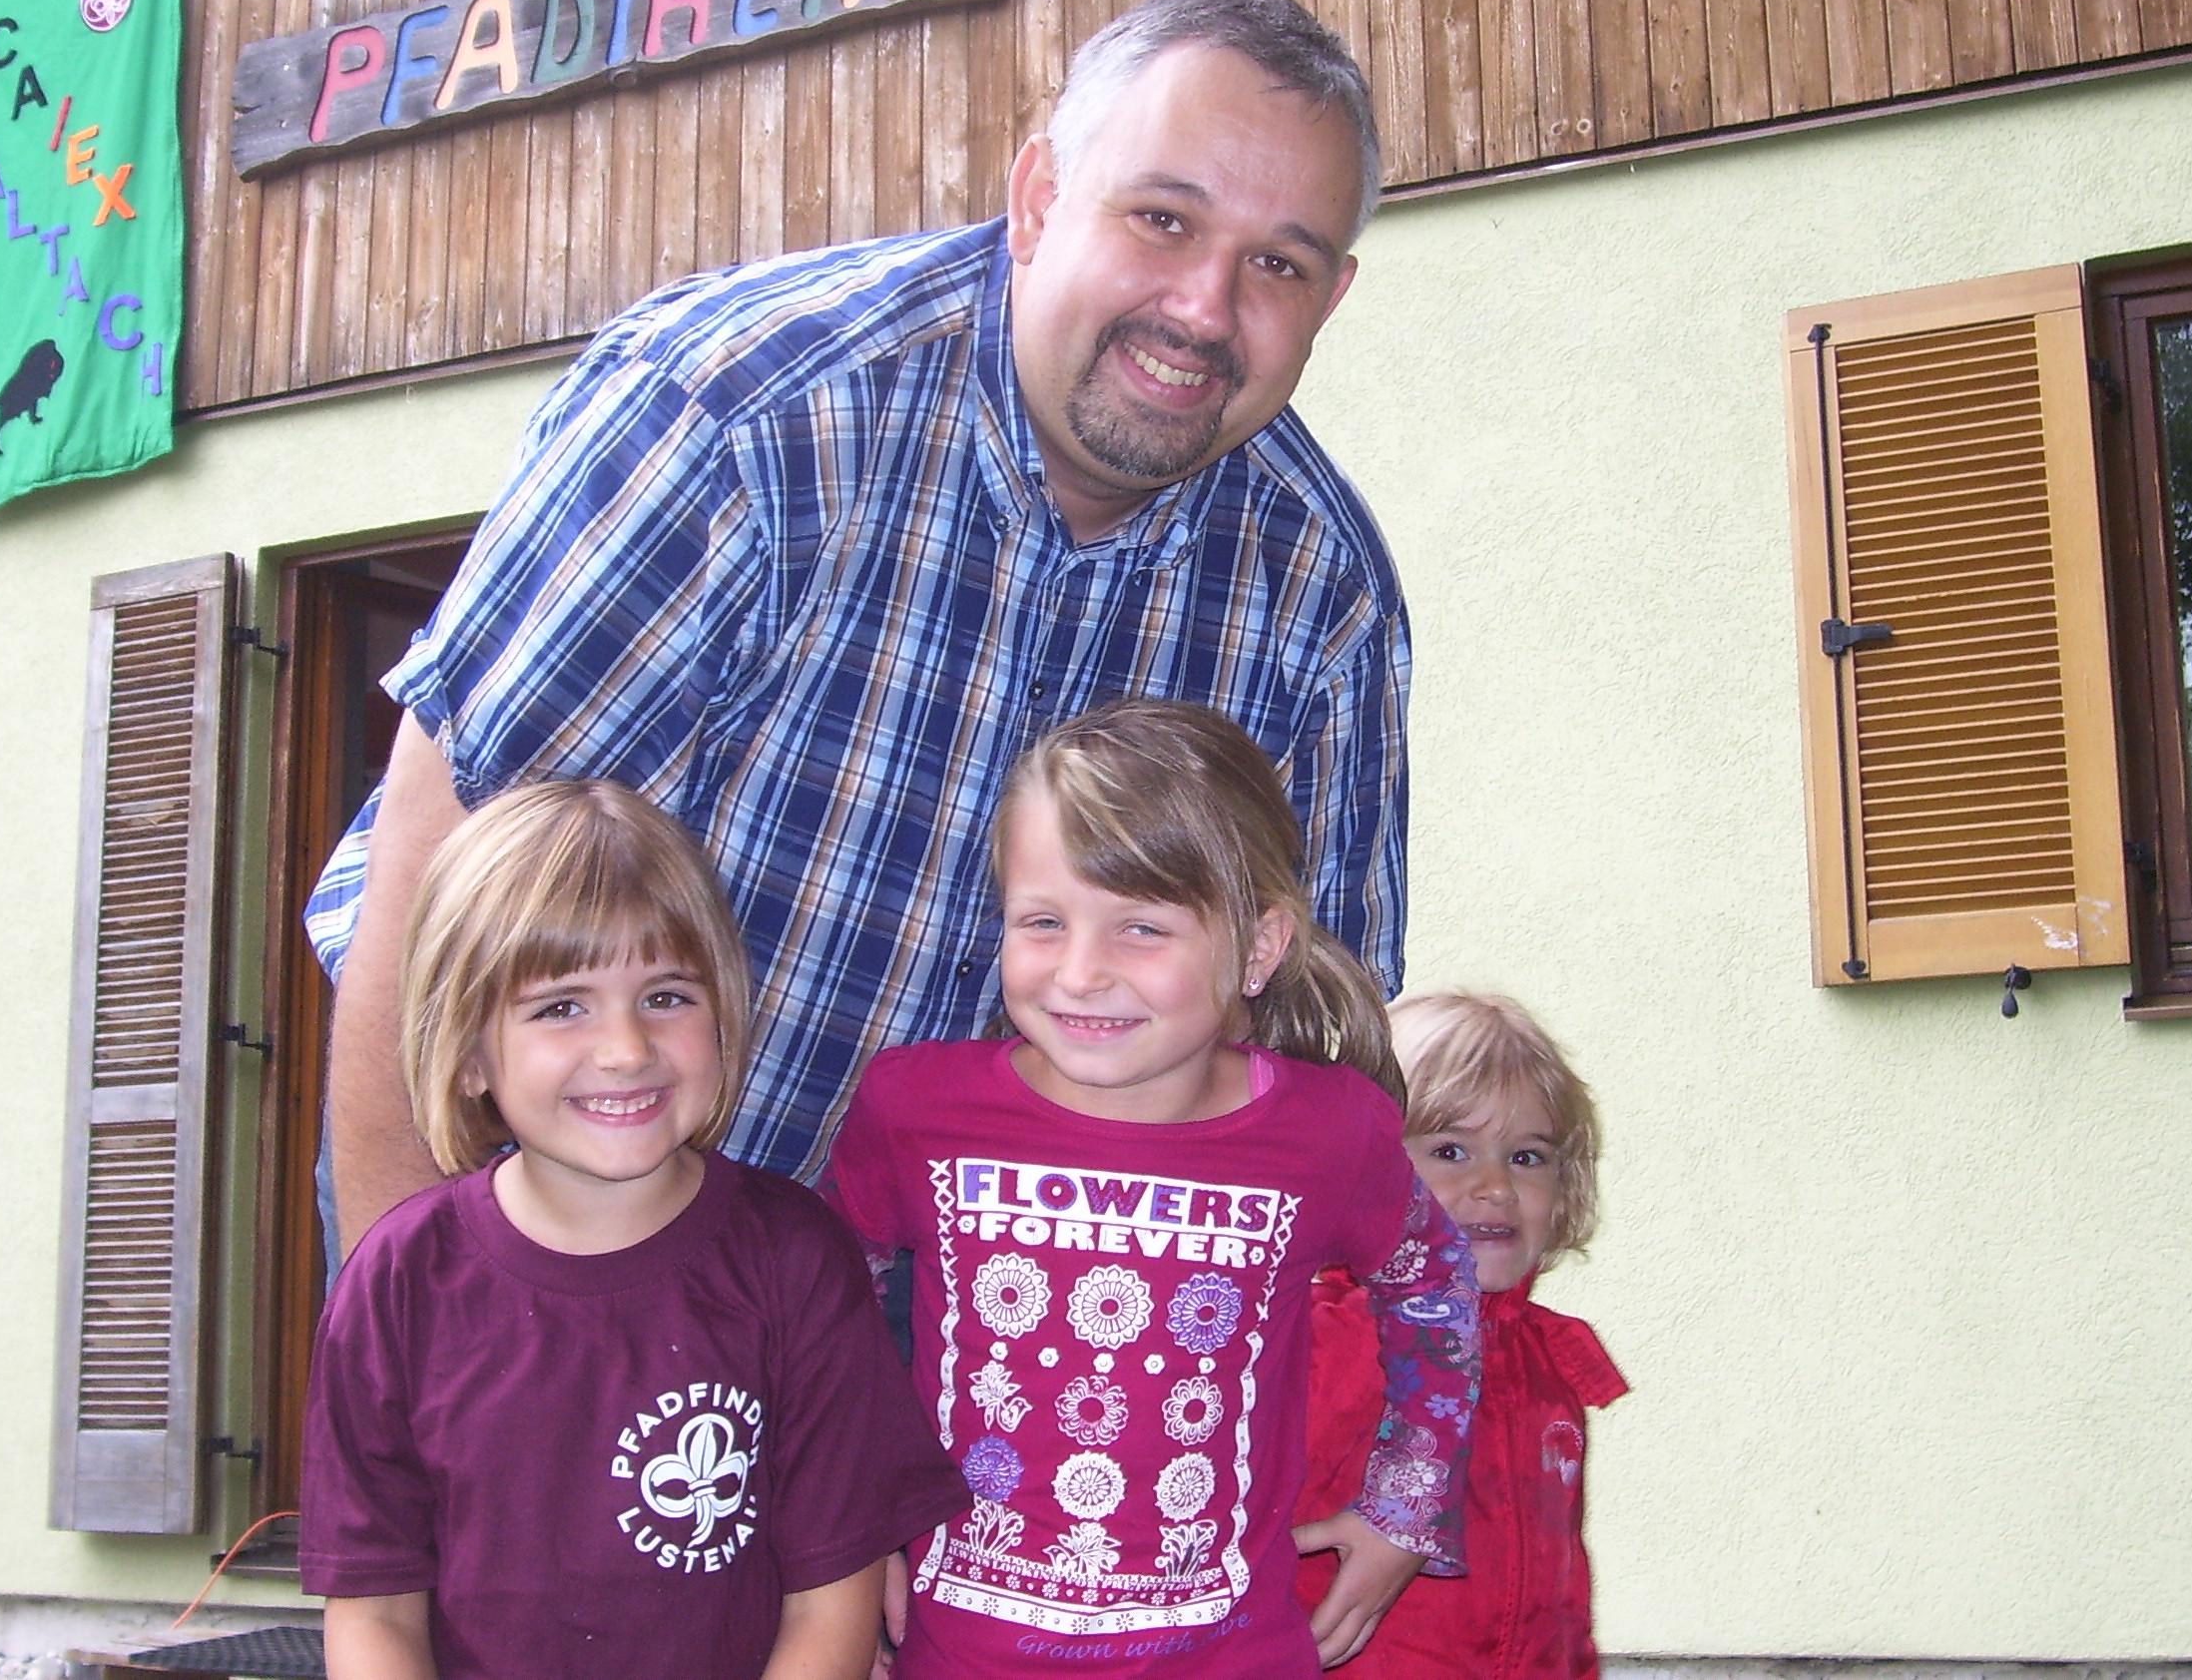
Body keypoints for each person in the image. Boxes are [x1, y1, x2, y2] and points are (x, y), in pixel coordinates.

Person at [305, 0, 1410, 1253]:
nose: (1204, 310)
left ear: (1331, 299)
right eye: (1162, 219)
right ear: (1038, 197)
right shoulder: (734, 413)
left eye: (1276, 264)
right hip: (568, 1229)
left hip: (980, 1309)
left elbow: (1309, 1025)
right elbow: (444, 859)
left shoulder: (1321, 596)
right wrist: (410, 1299)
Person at [822, 699, 1478, 1677]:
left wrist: (1404, 1509)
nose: (1080, 973)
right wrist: (854, 1521)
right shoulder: (911, 1109)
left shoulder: (1330, 1133)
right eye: (1043, 922)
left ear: (1257, 949)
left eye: (1140, 928)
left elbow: (1433, 1288)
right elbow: (825, 1322)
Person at [299, 780, 966, 1680]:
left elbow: (831, 1602)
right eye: (560, 1006)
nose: (625, 1049)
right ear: (466, 1051)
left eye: (666, 996)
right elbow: (374, 1611)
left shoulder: (796, 1258)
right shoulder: (398, 1279)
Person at [1294, 992, 1627, 1680]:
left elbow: (1557, 1588)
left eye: (1527, 1157)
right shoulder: (1332, 1341)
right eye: (1451, 1151)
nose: (1496, 1187)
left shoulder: (1542, 1360)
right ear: (1361, 1169)